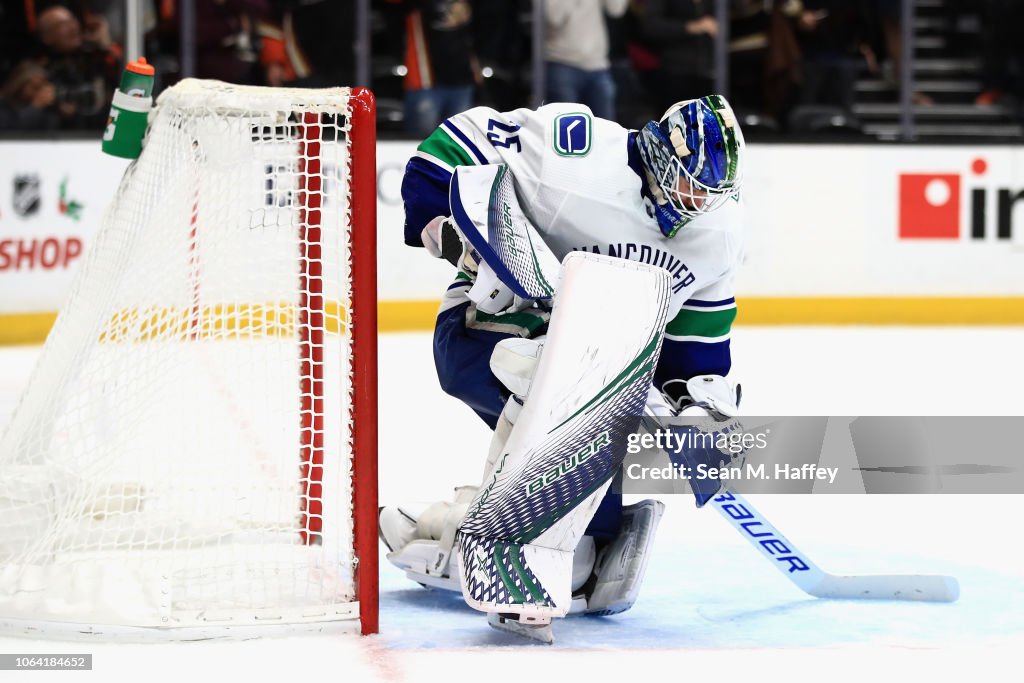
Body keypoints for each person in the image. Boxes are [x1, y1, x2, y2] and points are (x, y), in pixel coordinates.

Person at [381, 94, 746, 633]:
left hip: (604, 363)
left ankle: (473, 527)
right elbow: (444, 150)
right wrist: (453, 235)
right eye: (689, 183)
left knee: (597, 442)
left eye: (709, 193)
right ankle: (498, 535)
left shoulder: (715, 234)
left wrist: (694, 408)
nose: (695, 203)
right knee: (565, 392)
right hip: (494, 324)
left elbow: (694, 348)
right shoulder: (572, 150)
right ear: (663, 157)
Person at [543, 0, 629, 120]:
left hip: (598, 65)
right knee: (566, 130)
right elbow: (554, 17)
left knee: (605, 132)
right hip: (562, 63)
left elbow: (616, 9)